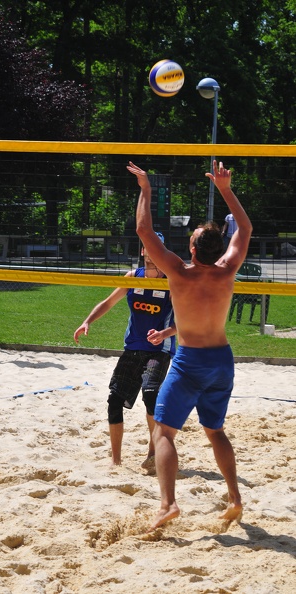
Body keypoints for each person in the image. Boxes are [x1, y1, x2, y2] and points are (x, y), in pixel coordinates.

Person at [127, 159, 252, 531]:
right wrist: (225, 189)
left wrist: (146, 189)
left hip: (190, 362)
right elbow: (244, 227)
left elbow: (142, 228)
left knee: (163, 432)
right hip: (222, 360)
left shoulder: (178, 271)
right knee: (215, 431)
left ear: (193, 249)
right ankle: (235, 498)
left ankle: (167, 504)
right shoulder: (228, 268)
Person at [74, 233, 176, 467]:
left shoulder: (171, 281)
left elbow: (186, 320)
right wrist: (87, 321)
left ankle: (152, 453)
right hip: (133, 348)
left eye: (157, 246)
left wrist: (164, 334)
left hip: (159, 350)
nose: (151, 251)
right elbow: (108, 303)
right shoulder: (133, 277)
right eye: (148, 246)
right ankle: (116, 461)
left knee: (150, 395)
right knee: (114, 400)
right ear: (143, 252)